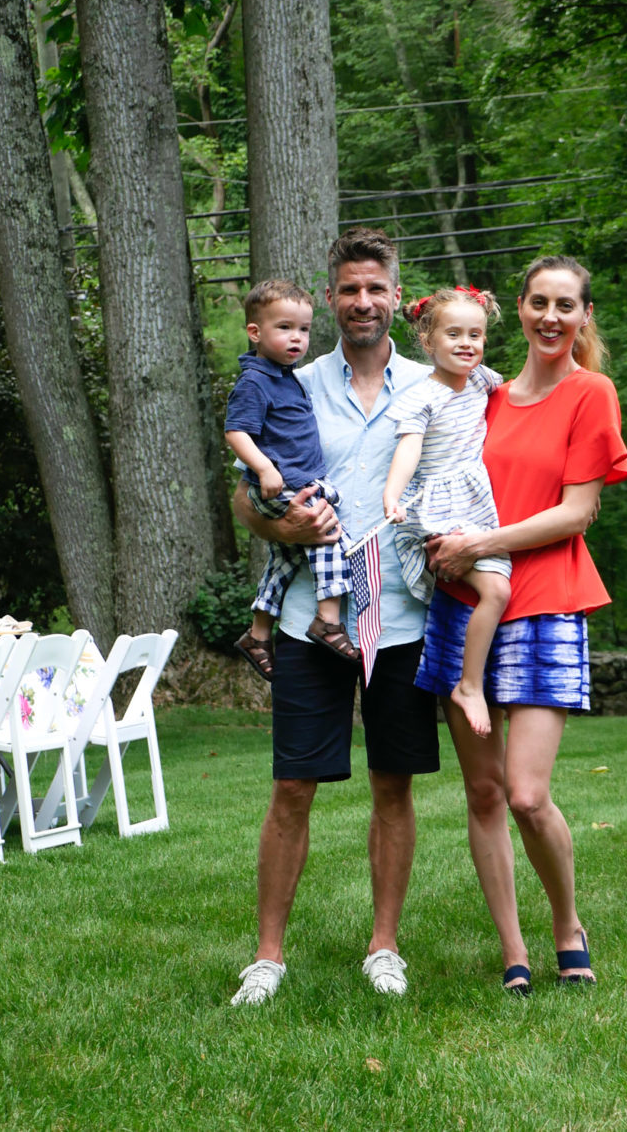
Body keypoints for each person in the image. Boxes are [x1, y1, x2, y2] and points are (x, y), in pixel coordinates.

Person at [228, 228, 438, 1007]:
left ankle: (384, 946)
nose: (362, 302)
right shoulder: (291, 374)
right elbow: (245, 496)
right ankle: (268, 956)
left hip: (401, 620)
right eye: (348, 289)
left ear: (394, 292)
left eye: (374, 288)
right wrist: (281, 528)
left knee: (394, 785)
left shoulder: (428, 384)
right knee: (293, 788)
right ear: (330, 298)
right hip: (303, 619)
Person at [422, 254, 627, 993]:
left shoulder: (590, 392)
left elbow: (577, 510)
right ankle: (513, 950)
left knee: (526, 793)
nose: (550, 316)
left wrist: (480, 542)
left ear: (583, 315)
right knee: (481, 792)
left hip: (546, 601)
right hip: (465, 606)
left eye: (565, 305)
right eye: (538, 302)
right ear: (520, 305)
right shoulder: (486, 394)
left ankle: (566, 921)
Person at [381, 286, 512, 740]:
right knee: (495, 589)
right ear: (427, 340)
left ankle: (471, 683)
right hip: (439, 503)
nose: (466, 343)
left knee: (495, 591)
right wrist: (392, 495)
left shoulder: (483, 380)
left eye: (475, 334)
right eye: (453, 333)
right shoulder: (421, 396)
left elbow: (525, 395)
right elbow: (409, 449)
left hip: (475, 503)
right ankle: (468, 686)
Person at [224, 278, 361, 680]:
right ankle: (328, 621)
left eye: (303, 329)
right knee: (331, 539)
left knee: (285, 561)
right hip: (282, 484)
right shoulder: (255, 381)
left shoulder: (286, 377)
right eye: (284, 328)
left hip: (298, 480)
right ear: (255, 332)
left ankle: (257, 633)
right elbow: (236, 431)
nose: (296, 338)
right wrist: (265, 469)